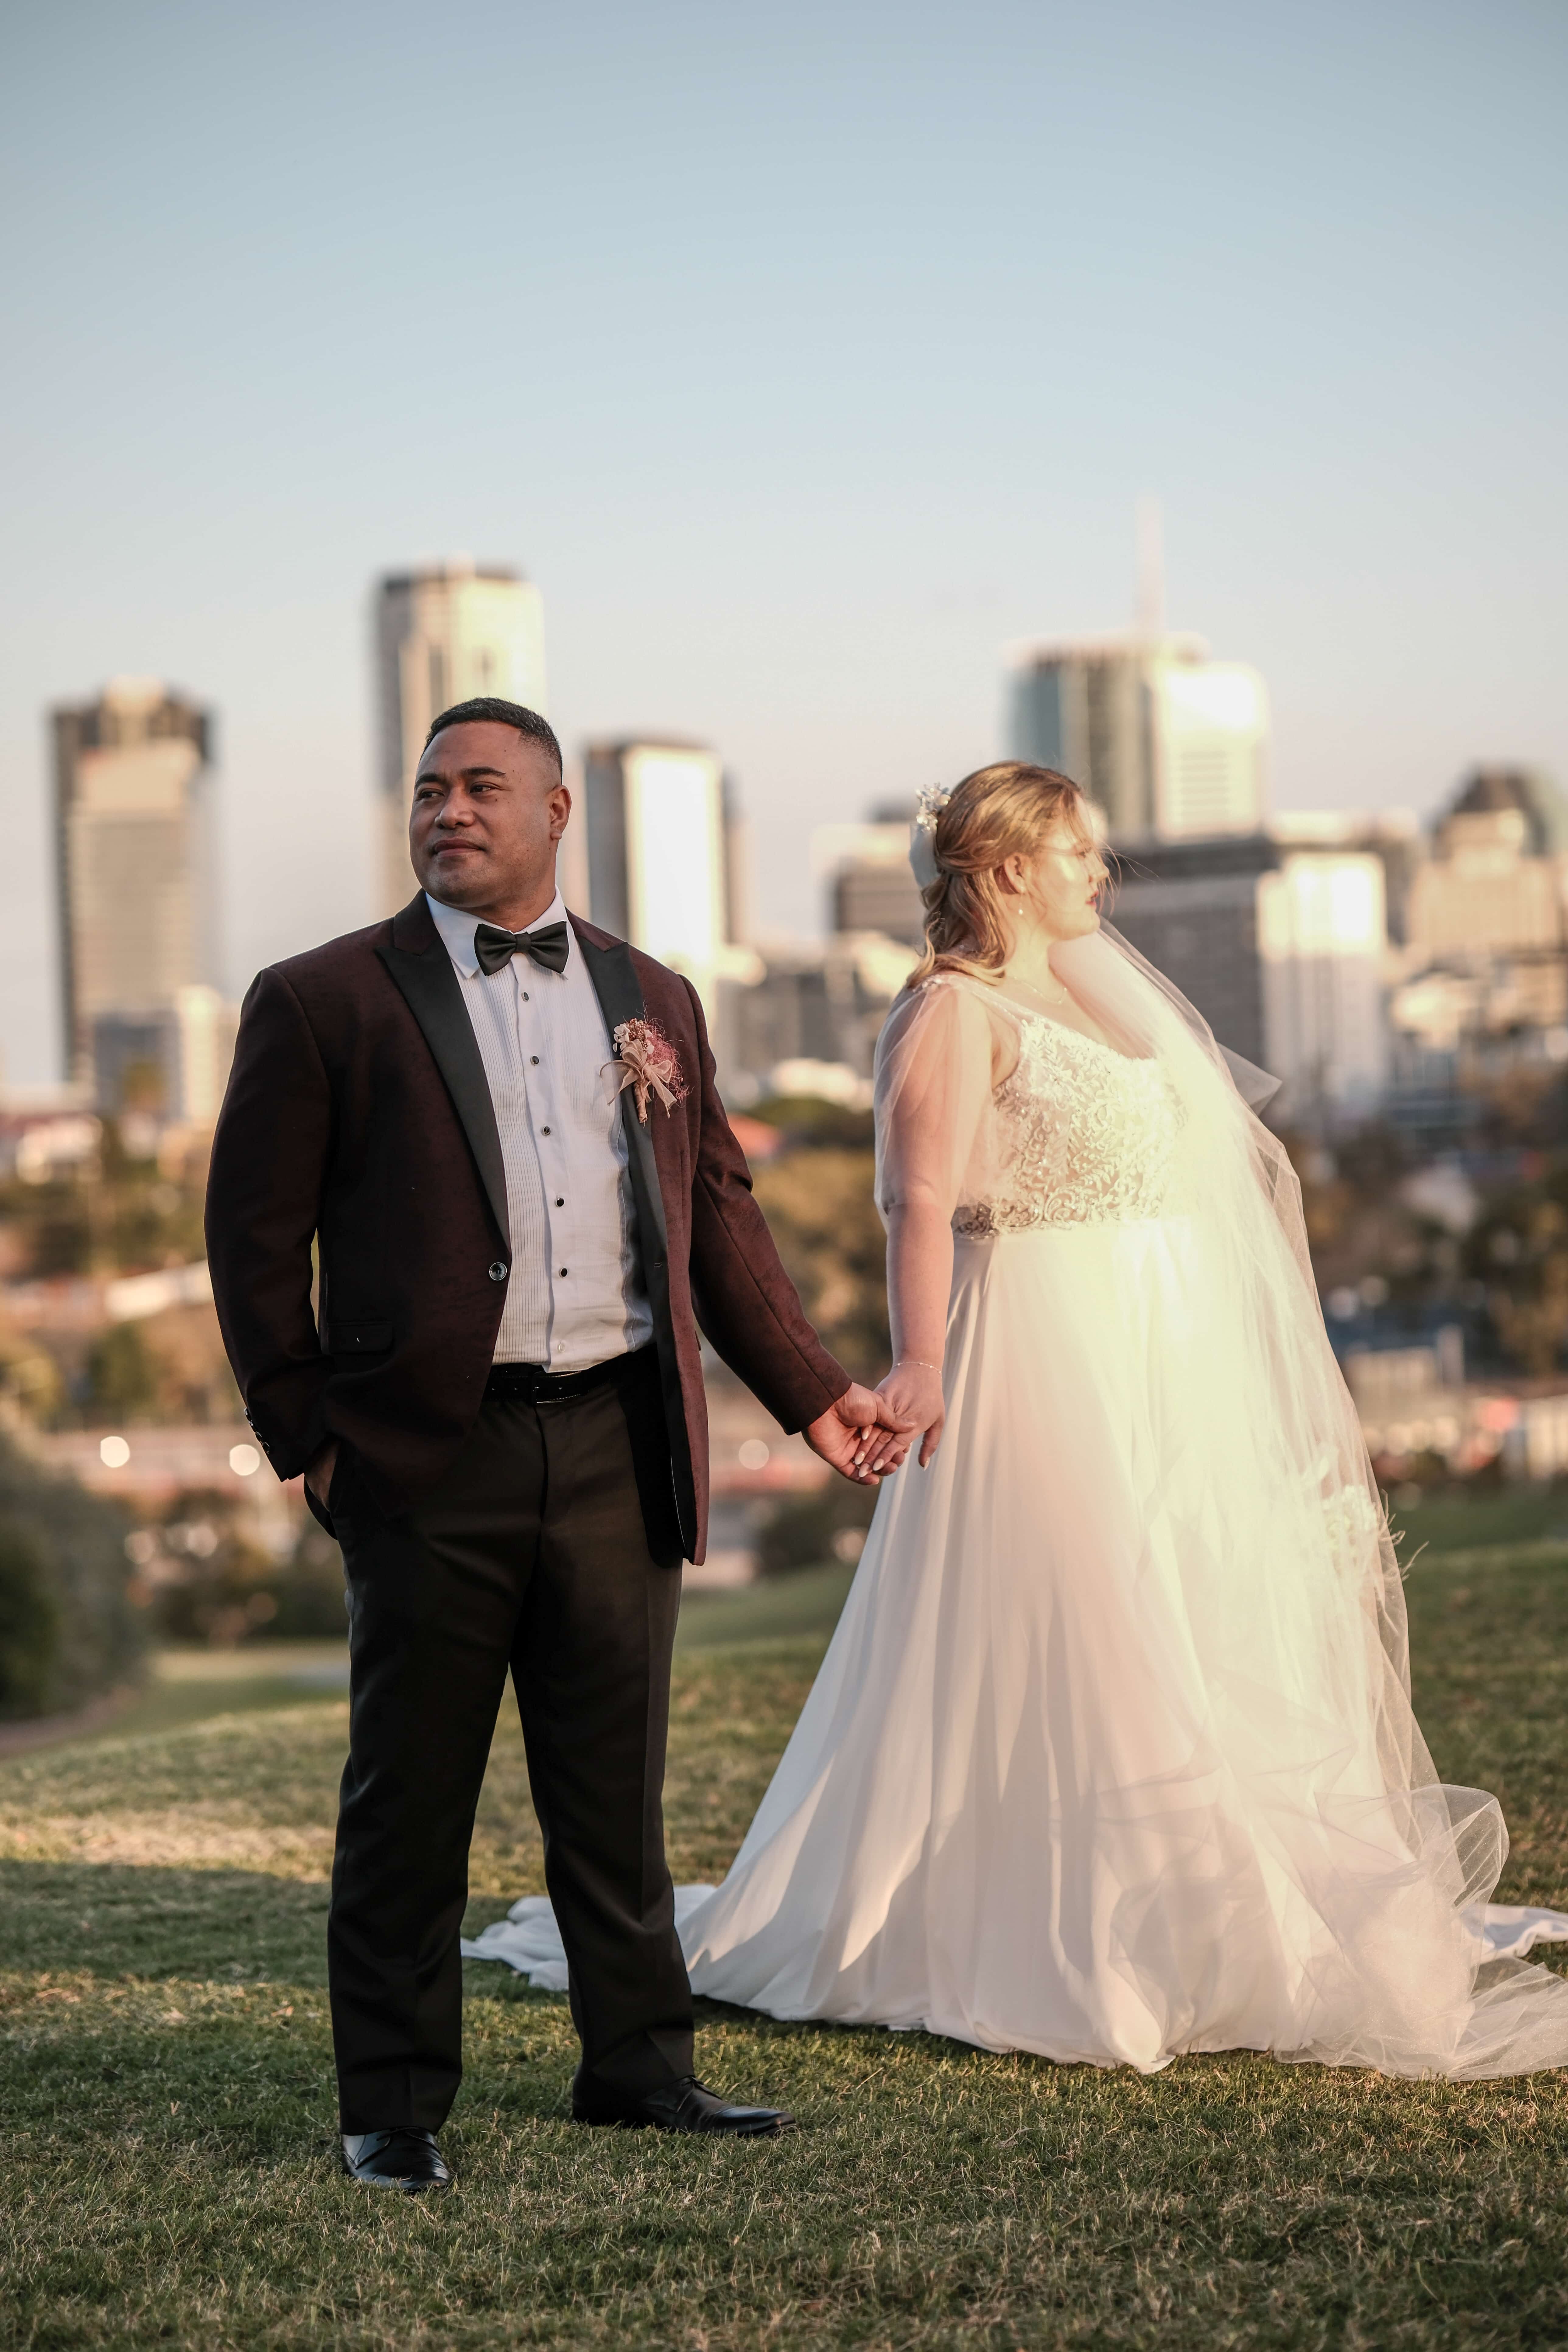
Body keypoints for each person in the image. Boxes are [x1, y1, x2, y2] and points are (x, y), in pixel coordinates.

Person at [474, 761, 1568, 2077]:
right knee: (1096, 1614)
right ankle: (1092, 1932)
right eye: (1074, 855)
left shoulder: (1093, 992)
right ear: (1004, 869)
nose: (1096, 877)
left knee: (1197, 1606)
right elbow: (914, 1201)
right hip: (1041, 1341)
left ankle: (1226, 1904)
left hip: (1159, 1334)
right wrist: (921, 1359)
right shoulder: (950, 1011)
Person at [204, 696, 910, 2193]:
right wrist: (308, 1448)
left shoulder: (654, 994)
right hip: (422, 1462)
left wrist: (813, 1392)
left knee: (613, 1791)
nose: (447, 812)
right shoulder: (322, 998)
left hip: (614, 1439)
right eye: (426, 792)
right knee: (411, 1796)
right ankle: (393, 2106)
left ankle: (639, 2073)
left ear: (555, 812)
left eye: (478, 788)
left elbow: (718, 1217)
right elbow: (253, 1246)